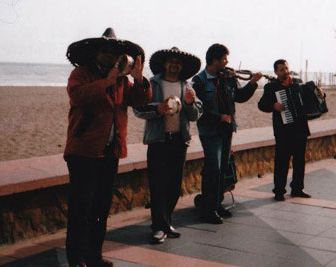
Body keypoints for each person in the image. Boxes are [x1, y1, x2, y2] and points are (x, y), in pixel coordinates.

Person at [63, 28, 151, 267]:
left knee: (101, 207)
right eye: (104, 51)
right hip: (84, 152)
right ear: (94, 53)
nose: (109, 56)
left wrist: (140, 79)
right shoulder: (80, 74)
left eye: (113, 53)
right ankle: (76, 259)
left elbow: (141, 100)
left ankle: (94, 256)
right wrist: (107, 81)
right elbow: (77, 96)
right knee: (81, 208)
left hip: (110, 152)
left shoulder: (123, 80)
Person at [134, 47, 202, 244]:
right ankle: (158, 227)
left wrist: (190, 104)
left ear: (182, 67)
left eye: (178, 62)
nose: (174, 65)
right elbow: (138, 110)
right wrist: (158, 109)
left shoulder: (187, 86)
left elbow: (196, 115)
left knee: (174, 185)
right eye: (171, 61)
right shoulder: (153, 83)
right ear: (164, 64)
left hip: (179, 140)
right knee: (157, 185)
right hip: (158, 140)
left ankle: (166, 223)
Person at [192, 43, 262, 224]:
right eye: (224, 59)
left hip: (226, 130)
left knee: (222, 169)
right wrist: (219, 117)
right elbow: (199, 109)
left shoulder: (227, 77)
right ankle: (208, 210)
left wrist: (252, 83)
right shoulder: (199, 81)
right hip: (210, 131)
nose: (227, 62)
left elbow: (239, 96)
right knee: (212, 169)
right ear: (214, 60)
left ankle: (216, 204)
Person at [258, 59, 316, 201]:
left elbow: (312, 96)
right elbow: (261, 105)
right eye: (282, 69)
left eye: (286, 68)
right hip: (283, 130)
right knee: (281, 161)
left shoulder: (298, 82)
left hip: (300, 127)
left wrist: (320, 92)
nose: (285, 71)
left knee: (299, 161)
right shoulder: (271, 87)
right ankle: (279, 191)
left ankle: (297, 189)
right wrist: (273, 106)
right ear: (276, 72)